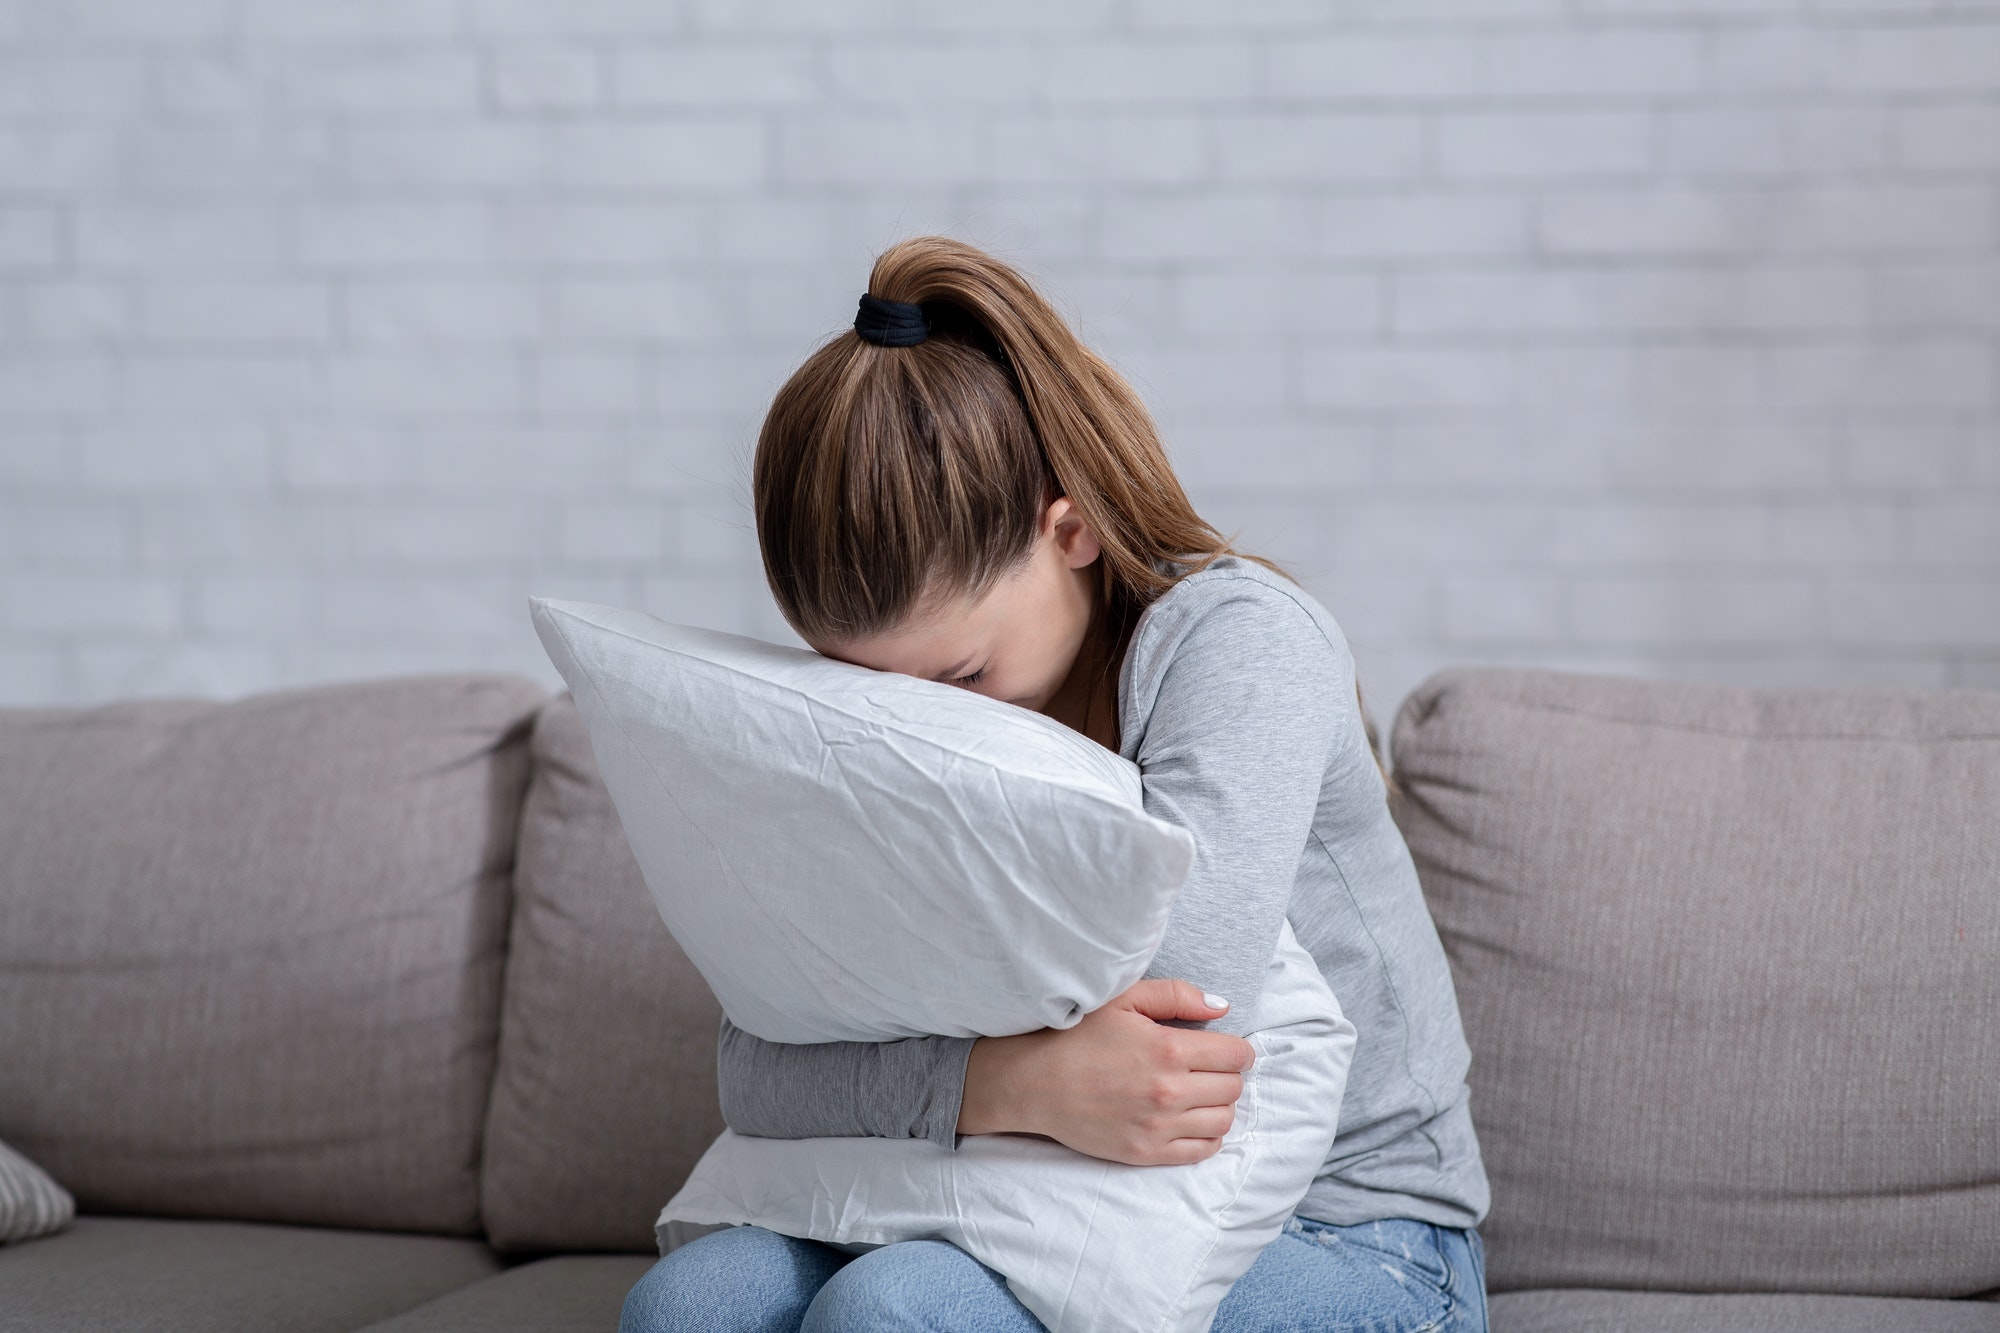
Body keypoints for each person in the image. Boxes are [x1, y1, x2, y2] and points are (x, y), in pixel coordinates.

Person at [620, 235, 1490, 1333]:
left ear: (1067, 530)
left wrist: (894, 1060)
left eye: (960, 674)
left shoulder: (1239, 645)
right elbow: (753, 1069)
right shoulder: (918, 703)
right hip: (1020, 1186)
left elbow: (1174, 1022)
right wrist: (1011, 1085)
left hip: (1353, 1234)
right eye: (874, 695)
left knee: (894, 1313)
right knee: (690, 1306)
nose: (932, 726)